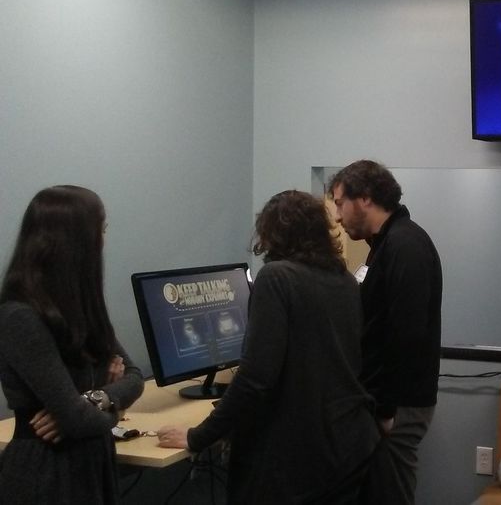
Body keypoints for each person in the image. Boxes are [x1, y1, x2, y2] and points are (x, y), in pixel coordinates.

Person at [157, 190, 380, 504]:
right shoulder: (343, 279)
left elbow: (256, 378)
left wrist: (199, 436)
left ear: (272, 233)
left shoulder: (277, 277)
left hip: (299, 460)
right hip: (347, 445)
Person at [0, 185, 144, 504]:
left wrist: (93, 400)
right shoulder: (20, 316)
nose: (104, 239)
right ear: (75, 241)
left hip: (91, 462)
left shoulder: (80, 306)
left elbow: (134, 377)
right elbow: (74, 418)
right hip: (47, 473)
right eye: (101, 229)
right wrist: (109, 413)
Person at [328, 160, 442, 505]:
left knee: (389, 495)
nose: (336, 216)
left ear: (364, 198)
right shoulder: (385, 243)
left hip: (398, 405)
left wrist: (386, 409)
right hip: (388, 401)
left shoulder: (405, 246)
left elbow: (406, 335)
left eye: (339, 203)